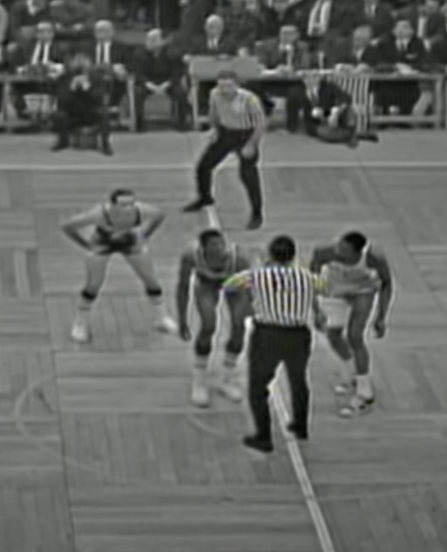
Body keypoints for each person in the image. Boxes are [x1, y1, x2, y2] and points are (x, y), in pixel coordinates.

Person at [224, 235, 322, 453]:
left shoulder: (257, 275)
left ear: (270, 255)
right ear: (293, 255)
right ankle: (301, 426)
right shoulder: (307, 277)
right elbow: (325, 287)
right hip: (299, 335)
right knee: (299, 381)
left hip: (268, 334)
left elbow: (229, 285)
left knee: (258, 387)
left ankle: (264, 437)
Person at [61, 189, 178, 343]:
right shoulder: (99, 214)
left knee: (151, 280)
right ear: (112, 205)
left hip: (131, 243)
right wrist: (85, 244)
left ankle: (162, 318)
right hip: (102, 246)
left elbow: (160, 215)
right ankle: (80, 324)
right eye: (123, 205)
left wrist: (146, 235)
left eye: (131, 204)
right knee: (93, 285)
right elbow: (68, 226)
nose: (128, 208)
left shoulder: (141, 211)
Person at [310, 231, 393, 417]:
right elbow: (311, 281)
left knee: (355, 337)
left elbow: (387, 284)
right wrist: (316, 311)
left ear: (358, 252)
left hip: (362, 291)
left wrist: (381, 316)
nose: (338, 251)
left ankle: (365, 393)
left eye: (344, 250)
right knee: (333, 335)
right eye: (338, 246)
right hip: (335, 290)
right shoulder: (324, 252)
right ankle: (352, 373)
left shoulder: (373, 258)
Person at [175, 229, 252, 407]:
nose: (220, 249)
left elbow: (249, 289)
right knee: (208, 325)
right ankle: (200, 381)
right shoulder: (191, 256)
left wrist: (250, 310)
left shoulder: (239, 258)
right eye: (214, 246)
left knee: (239, 325)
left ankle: (226, 379)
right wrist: (182, 319)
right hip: (206, 284)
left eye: (221, 244)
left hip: (233, 282)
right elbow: (183, 286)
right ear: (204, 249)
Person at [183, 70, 266, 231]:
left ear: (236, 85)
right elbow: (213, 114)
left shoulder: (250, 99)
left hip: (246, 134)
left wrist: (251, 145)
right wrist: (214, 130)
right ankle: (205, 197)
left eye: (229, 86)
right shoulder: (215, 94)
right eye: (222, 86)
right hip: (226, 132)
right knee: (204, 166)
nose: (225, 90)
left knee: (248, 175)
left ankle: (257, 213)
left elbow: (260, 125)